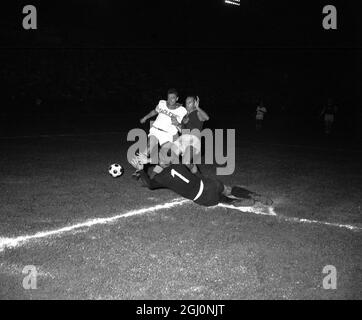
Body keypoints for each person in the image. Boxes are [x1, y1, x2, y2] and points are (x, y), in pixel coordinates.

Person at [130, 151, 272, 207]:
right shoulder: (177, 164)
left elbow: (149, 184)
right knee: (228, 189)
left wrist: (141, 169)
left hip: (202, 200)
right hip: (209, 185)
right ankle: (253, 195)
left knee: (219, 199)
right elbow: (188, 166)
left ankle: (234, 202)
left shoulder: (161, 177)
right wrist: (149, 159)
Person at [133, 88, 187, 178]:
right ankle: (138, 171)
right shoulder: (162, 103)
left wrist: (178, 123)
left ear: (177, 98)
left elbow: (185, 126)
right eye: (169, 98)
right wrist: (145, 118)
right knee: (148, 148)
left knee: (164, 160)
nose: (170, 100)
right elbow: (154, 111)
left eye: (173, 98)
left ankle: (153, 177)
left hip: (168, 135)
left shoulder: (182, 110)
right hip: (156, 130)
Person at [173, 95, 209, 174]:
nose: (187, 104)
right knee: (169, 157)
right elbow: (183, 131)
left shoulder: (197, 113)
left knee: (186, 162)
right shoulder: (184, 116)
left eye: (190, 102)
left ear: (194, 103)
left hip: (193, 141)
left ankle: (200, 178)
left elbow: (206, 118)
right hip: (183, 140)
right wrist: (177, 125)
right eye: (186, 102)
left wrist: (198, 108)